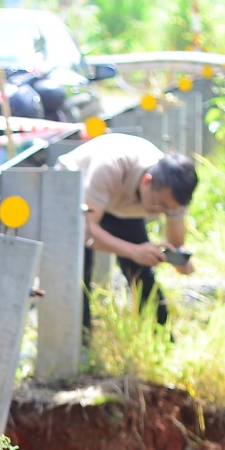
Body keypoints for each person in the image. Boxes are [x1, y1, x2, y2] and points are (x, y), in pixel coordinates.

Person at [59, 133, 198, 327]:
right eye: (159, 204)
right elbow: (85, 231)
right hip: (77, 194)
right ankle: (81, 340)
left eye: (169, 209)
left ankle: (160, 334)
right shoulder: (110, 165)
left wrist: (179, 259)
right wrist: (133, 251)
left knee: (142, 268)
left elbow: (176, 243)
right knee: (80, 268)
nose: (161, 212)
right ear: (147, 181)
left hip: (120, 203)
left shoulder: (174, 192)